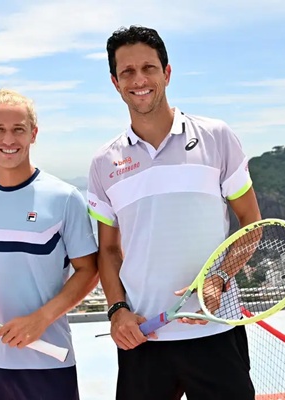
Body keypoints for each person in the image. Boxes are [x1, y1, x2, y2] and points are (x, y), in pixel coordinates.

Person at [86, 26, 262, 400]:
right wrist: (118, 310)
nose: (139, 80)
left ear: (166, 73)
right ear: (115, 82)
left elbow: (251, 224)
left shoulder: (217, 137)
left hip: (216, 331)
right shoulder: (104, 162)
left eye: (148, 68)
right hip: (144, 337)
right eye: (127, 72)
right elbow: (109, 251)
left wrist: (218, 278)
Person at [0, 88, 99, 400]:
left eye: (19, 129)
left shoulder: (64, 197)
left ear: (33, 134)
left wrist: (40, 319)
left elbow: (89, 270)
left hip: (50, 362)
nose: (9, 140)